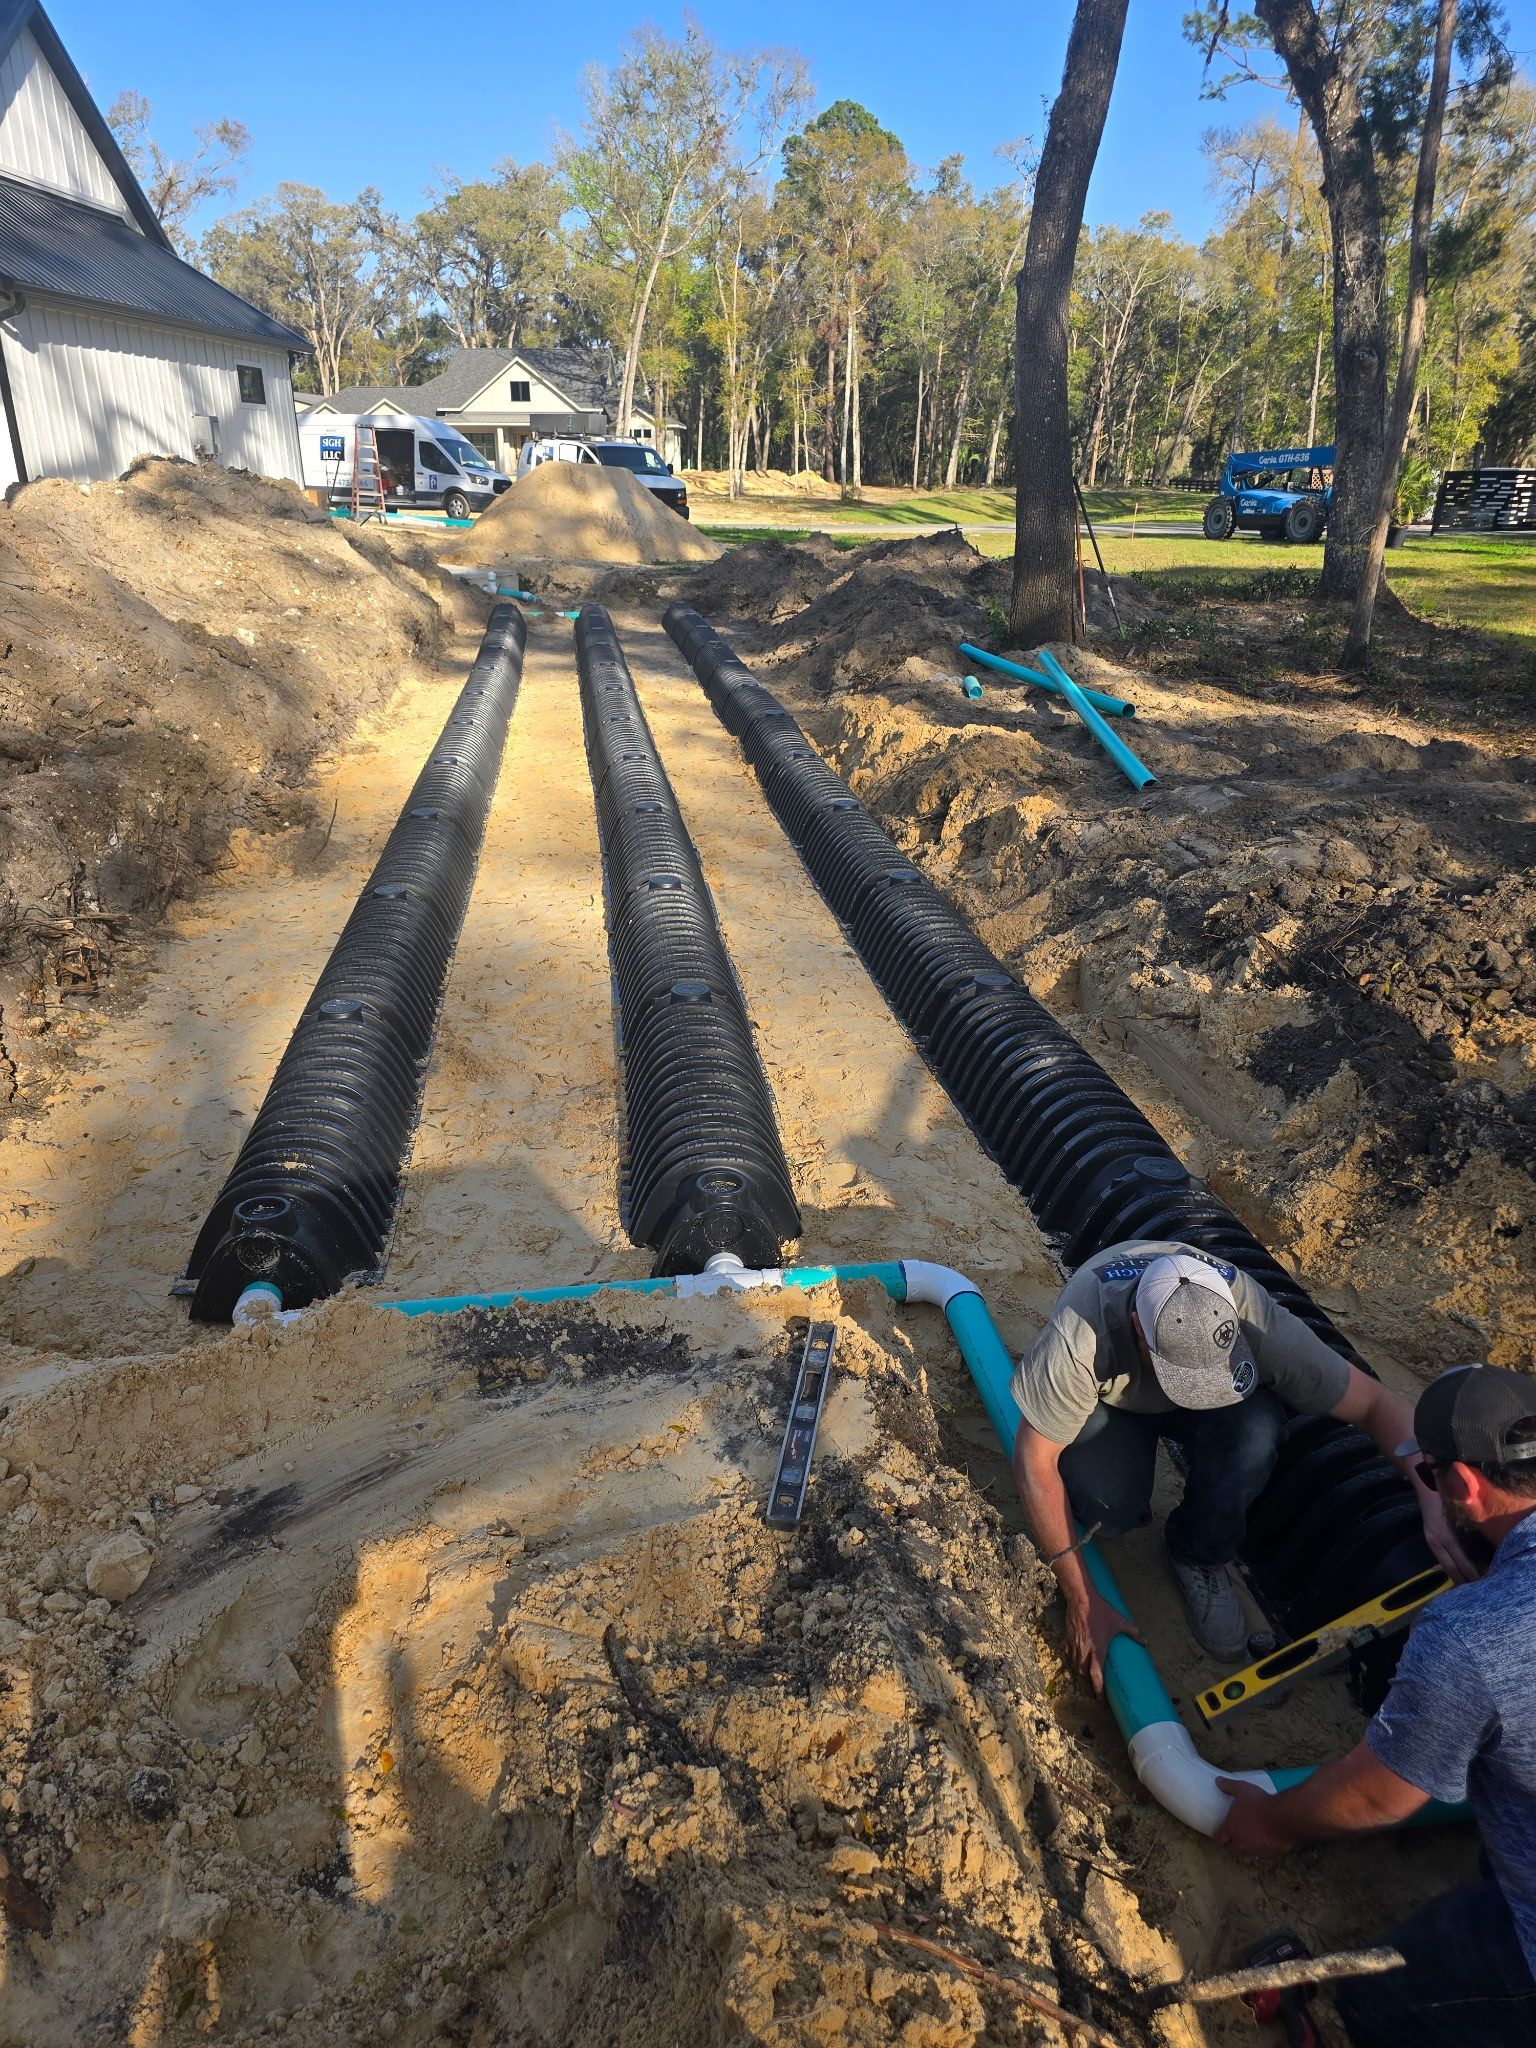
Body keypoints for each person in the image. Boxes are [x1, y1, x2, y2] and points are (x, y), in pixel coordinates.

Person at [1218, 1364, 1536, 2047]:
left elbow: (1378, 1796)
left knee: (1379, 2002)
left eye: (1431, 1476)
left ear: (1463, 1484)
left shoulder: (1474, 1634)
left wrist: (1271, 1822)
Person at [1010, 1240, 1471, 1683]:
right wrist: (1082, 1598)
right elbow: (1034, 1463)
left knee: (1256, 1430)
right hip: (1115, 1404)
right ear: (1137, 1328)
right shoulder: (1083, 1334)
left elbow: (1376, 1403)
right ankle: (1121, 1478)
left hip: (1214, 1409)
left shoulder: (1254, 1314)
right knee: (1105, 1511)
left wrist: (1432, 1494)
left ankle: (1197, 1552)